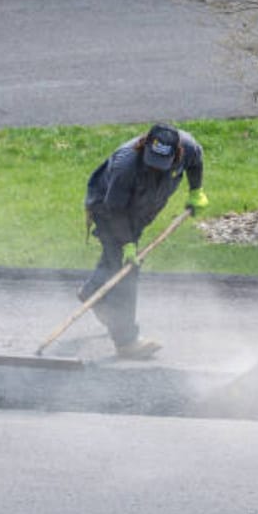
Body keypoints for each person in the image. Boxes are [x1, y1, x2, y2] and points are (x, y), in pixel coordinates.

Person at [79, 123, 207, 359]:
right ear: (143, 145)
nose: (156, 169)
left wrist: (195, 191)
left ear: (176, 152)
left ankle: (92, 291)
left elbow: (196, 161)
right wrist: (128, 244)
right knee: (127, 270)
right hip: (109, 210)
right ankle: (126, 342)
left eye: (163, 164)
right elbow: (115, 210)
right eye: (151, 162)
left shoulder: (188, 147)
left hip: (139, 211)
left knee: (113, 261)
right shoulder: (126, 165)